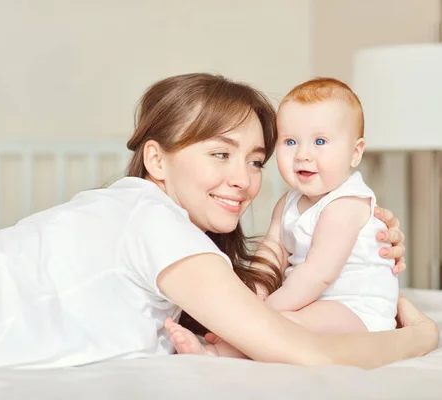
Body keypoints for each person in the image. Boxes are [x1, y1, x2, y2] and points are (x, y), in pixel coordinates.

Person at [0, 73, 438, 369]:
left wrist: (350, 237)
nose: (243, 179)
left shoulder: (137, 214)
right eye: (220, 153)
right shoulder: (155, 225)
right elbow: (312, 354)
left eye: (256, 162)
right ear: (156, 160)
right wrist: (419, 338)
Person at [165, 77, 400, 358]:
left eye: (320, 141)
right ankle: (219, 345)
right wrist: (253, 294)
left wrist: (263, 311)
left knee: (284, 326)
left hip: (358, 310)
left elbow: (318, 274)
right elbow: (270, 255)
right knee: (274, 323)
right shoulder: (287, 203)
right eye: (290, 141)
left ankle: (219, 352)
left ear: (355, 152)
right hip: (310, 300)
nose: (302, 154)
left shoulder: (346, 204)